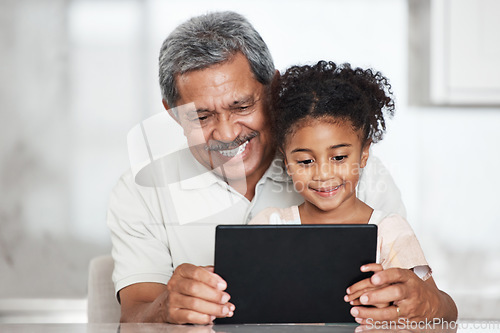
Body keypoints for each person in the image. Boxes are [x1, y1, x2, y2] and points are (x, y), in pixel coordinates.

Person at [107, 11, 411, 325]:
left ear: (273, 89)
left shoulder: (354, 173)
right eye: (201, 117)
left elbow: (430, 302)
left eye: (241, 106)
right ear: (173, 113)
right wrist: (163, 307)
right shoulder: (140, 191)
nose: (226, 134)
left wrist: (417, 303)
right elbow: (132, 317)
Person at [249, 61, 458, 324]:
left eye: (338, 157)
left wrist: (407, 302)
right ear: (286, 161)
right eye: (305, 161)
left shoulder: (389, 231)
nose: (323, 174)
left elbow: (442, 314)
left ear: (364, 154)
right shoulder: (269, 226)